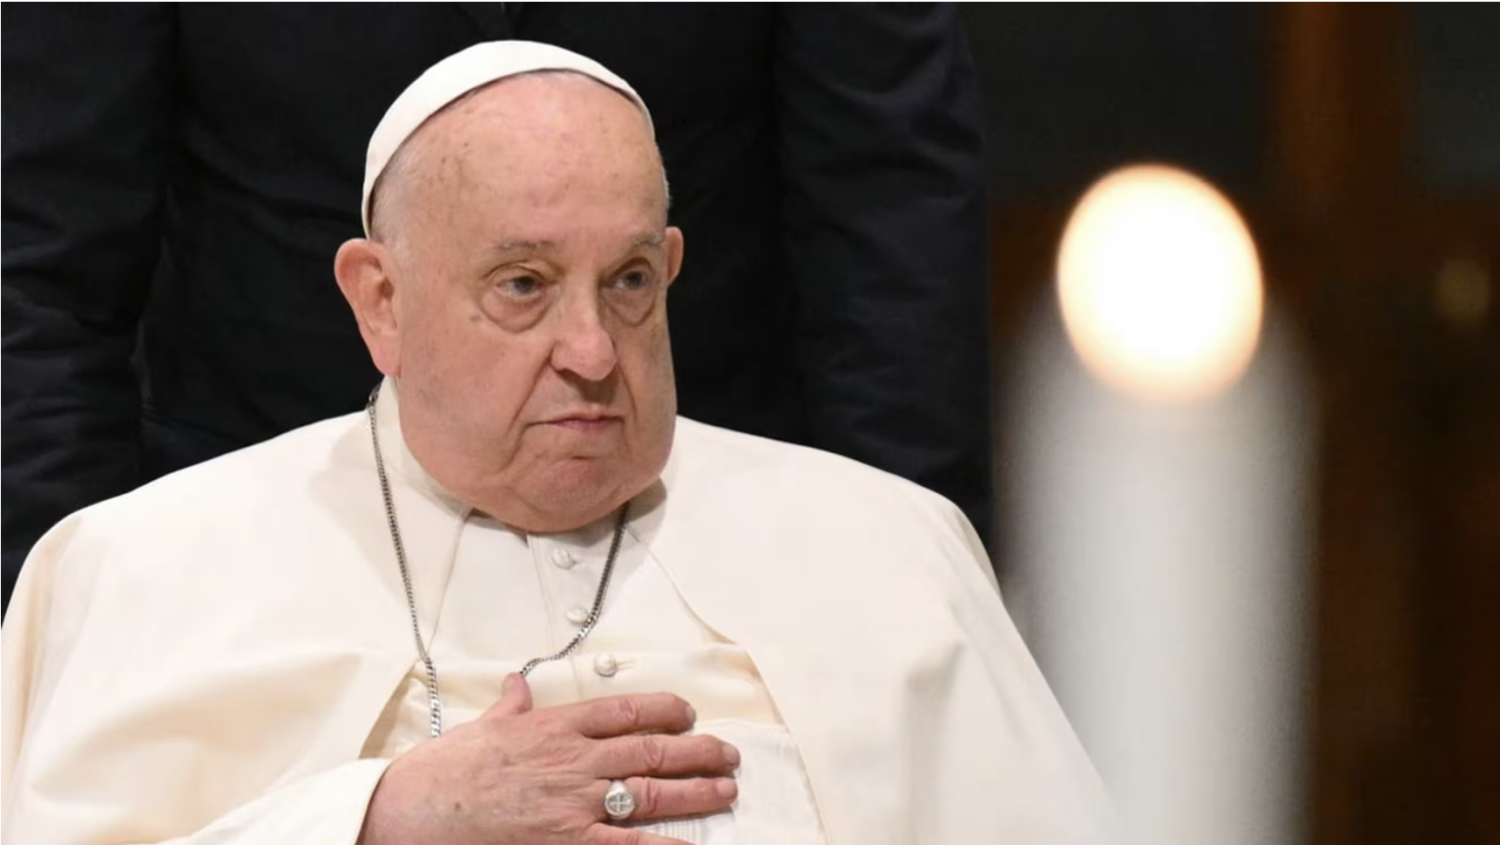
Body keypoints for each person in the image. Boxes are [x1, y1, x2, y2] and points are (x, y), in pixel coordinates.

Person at [2, 42, 1105, 845]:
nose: (590, 349)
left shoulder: (886, 551)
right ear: (379, 301)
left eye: (627, 281)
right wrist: (376, 817)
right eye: (522, 286)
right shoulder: (143, 569)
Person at [1, 4, 994, 613]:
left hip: (699, 534)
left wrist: (899, 577)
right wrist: (60, 615)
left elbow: (890, 205)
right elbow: (40, 255)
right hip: (261, 537)